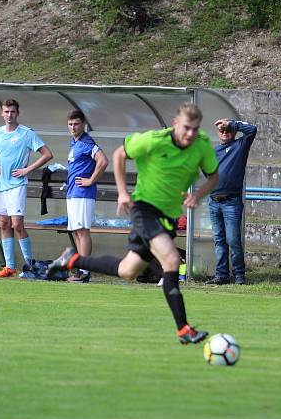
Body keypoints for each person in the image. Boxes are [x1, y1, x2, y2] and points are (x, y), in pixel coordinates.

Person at [48, 102, 220, 344]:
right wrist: (122, 193)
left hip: (168, 216)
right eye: (186, 128)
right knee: (171, 260)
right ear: (174, 125)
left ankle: (71, 259)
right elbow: (119, 154)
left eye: (195, 129)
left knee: (127, 271)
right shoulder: (153, 140)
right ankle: (184, 329)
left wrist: (197, 195)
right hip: (144, 210)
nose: (190, 134)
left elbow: (214, 176)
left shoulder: (201, 145)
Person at [0, 99, 53, 278]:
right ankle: (9, 267)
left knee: (17, 225)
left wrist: (27, 169)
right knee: (4, 223)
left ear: (18, 113)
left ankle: (30, 265)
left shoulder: (26, 133)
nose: (9, 115)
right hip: (0, 184)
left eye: (12, 112)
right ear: (2, 113)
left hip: (17, 185)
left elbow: (48, 154)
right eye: (6, 112)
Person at [205, 118, 256, 286]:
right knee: (219, 240)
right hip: (214, 201)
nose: (225, 132)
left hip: (231, 202)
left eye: (227, 130)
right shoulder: (214, 151)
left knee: (233, 240)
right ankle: (222, 275)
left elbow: (252, 129)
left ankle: (239, 274)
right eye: (222, 130)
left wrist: (231, 123)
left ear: (233, 132)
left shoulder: (239, 147)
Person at [65, 109, 108, 283]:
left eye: (76, 124)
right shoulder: (74, 143)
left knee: (82, 231)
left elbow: (103, 161)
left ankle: (85, 271)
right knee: (77, 232)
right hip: (73, 193)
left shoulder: (87, 142)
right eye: (70, 124)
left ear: (83, 124)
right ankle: (81, 269)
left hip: (83, 194)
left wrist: (90, 180)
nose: (73, 127)